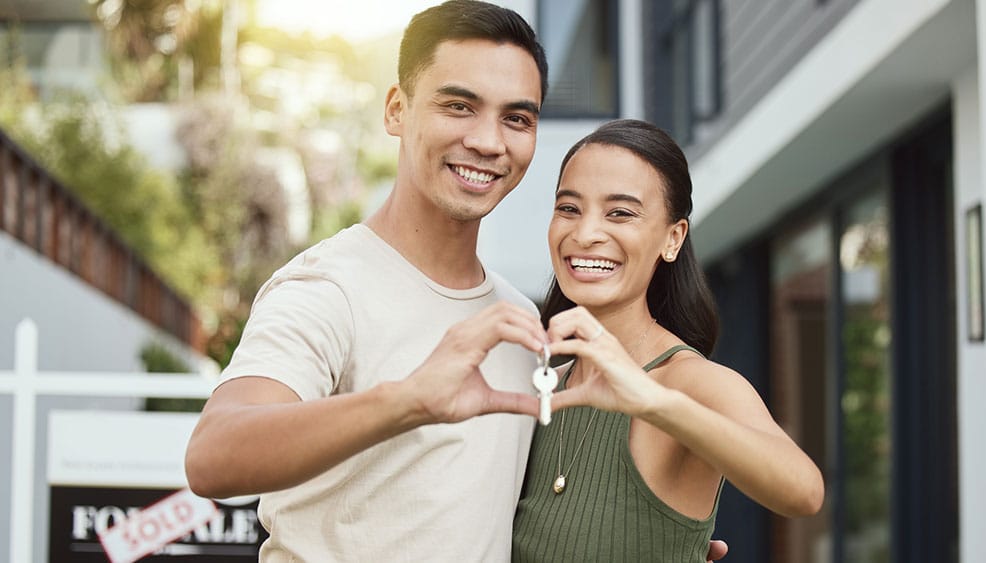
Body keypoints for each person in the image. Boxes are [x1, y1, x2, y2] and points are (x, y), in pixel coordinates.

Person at [185, 1, 729, 561]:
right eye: (459, 106)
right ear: (397, 110)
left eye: (516, 118)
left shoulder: (523, 326)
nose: (489, 141)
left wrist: (650, 542)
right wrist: (406, 401)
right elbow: (213, 455)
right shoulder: (325, 290)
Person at [511, 119, 825, 562]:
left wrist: (653, 402)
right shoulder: (542, 385)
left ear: (672, 238)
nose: (584, 234)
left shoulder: (689, 382)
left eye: (620, 212)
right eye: (569, 208)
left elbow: (803, 491)